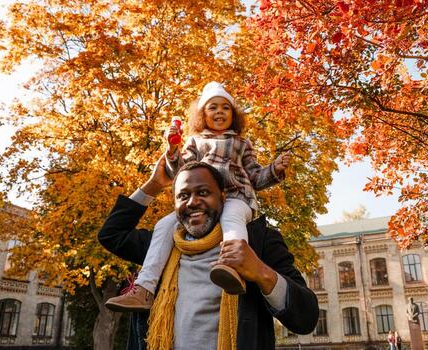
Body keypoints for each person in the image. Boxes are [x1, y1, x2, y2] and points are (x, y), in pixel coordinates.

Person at [105, 82, 290, 311]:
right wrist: (172, 152)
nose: (219, 112)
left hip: (235, 197)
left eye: (225, 108)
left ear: (234, 115)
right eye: (212, 108)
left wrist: (274, 169)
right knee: (164, 225)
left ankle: (232, 266)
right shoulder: (195, 141)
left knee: (232, 219)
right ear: (202, 115)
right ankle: (144, 288)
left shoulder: (241, 143)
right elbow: (181, 172)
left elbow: (255, 176)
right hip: (203, 201)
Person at [97, 157, 318, 349]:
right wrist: (154, 185)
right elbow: (111, 234)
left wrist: (261, 272)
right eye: (183, 196)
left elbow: (306, 318)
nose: (193, 202)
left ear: (223, 197)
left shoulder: (258, 242)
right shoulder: (160, 248)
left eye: (203, 192)